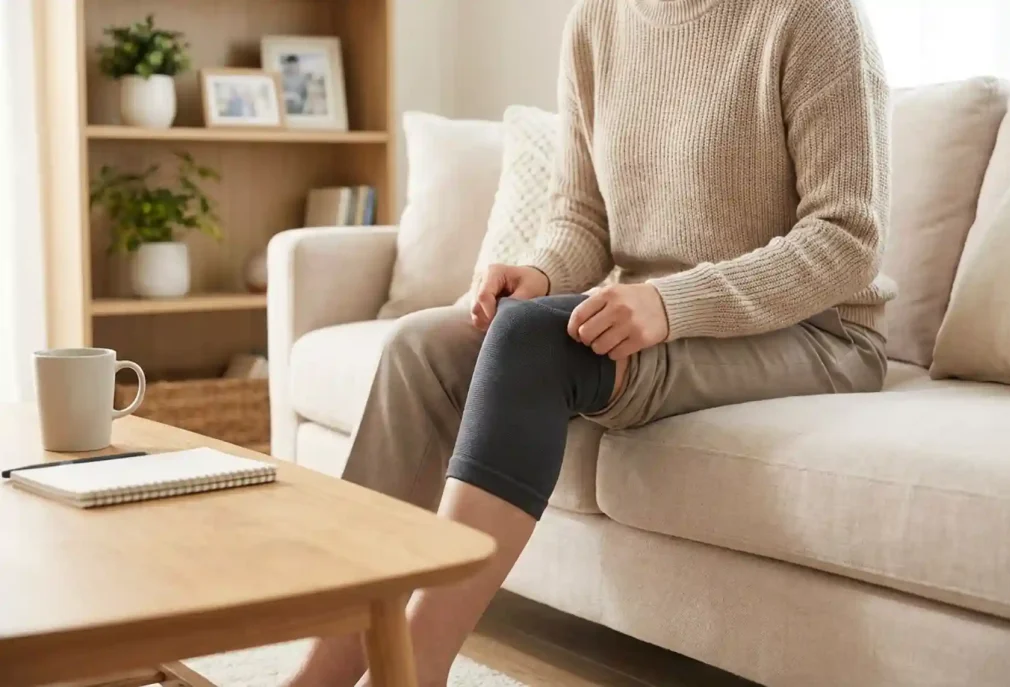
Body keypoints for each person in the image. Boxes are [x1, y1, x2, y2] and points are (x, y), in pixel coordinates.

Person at [291, 0, 895, 685]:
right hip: (647, 311)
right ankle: (321, 673)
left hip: (813, 332)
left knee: (532, 343)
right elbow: (582, 215)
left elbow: (849, 239)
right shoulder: (597, 21)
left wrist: (672, 302)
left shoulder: (813, 16)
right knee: (419, 348)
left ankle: (414, 670)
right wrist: (541, 273)